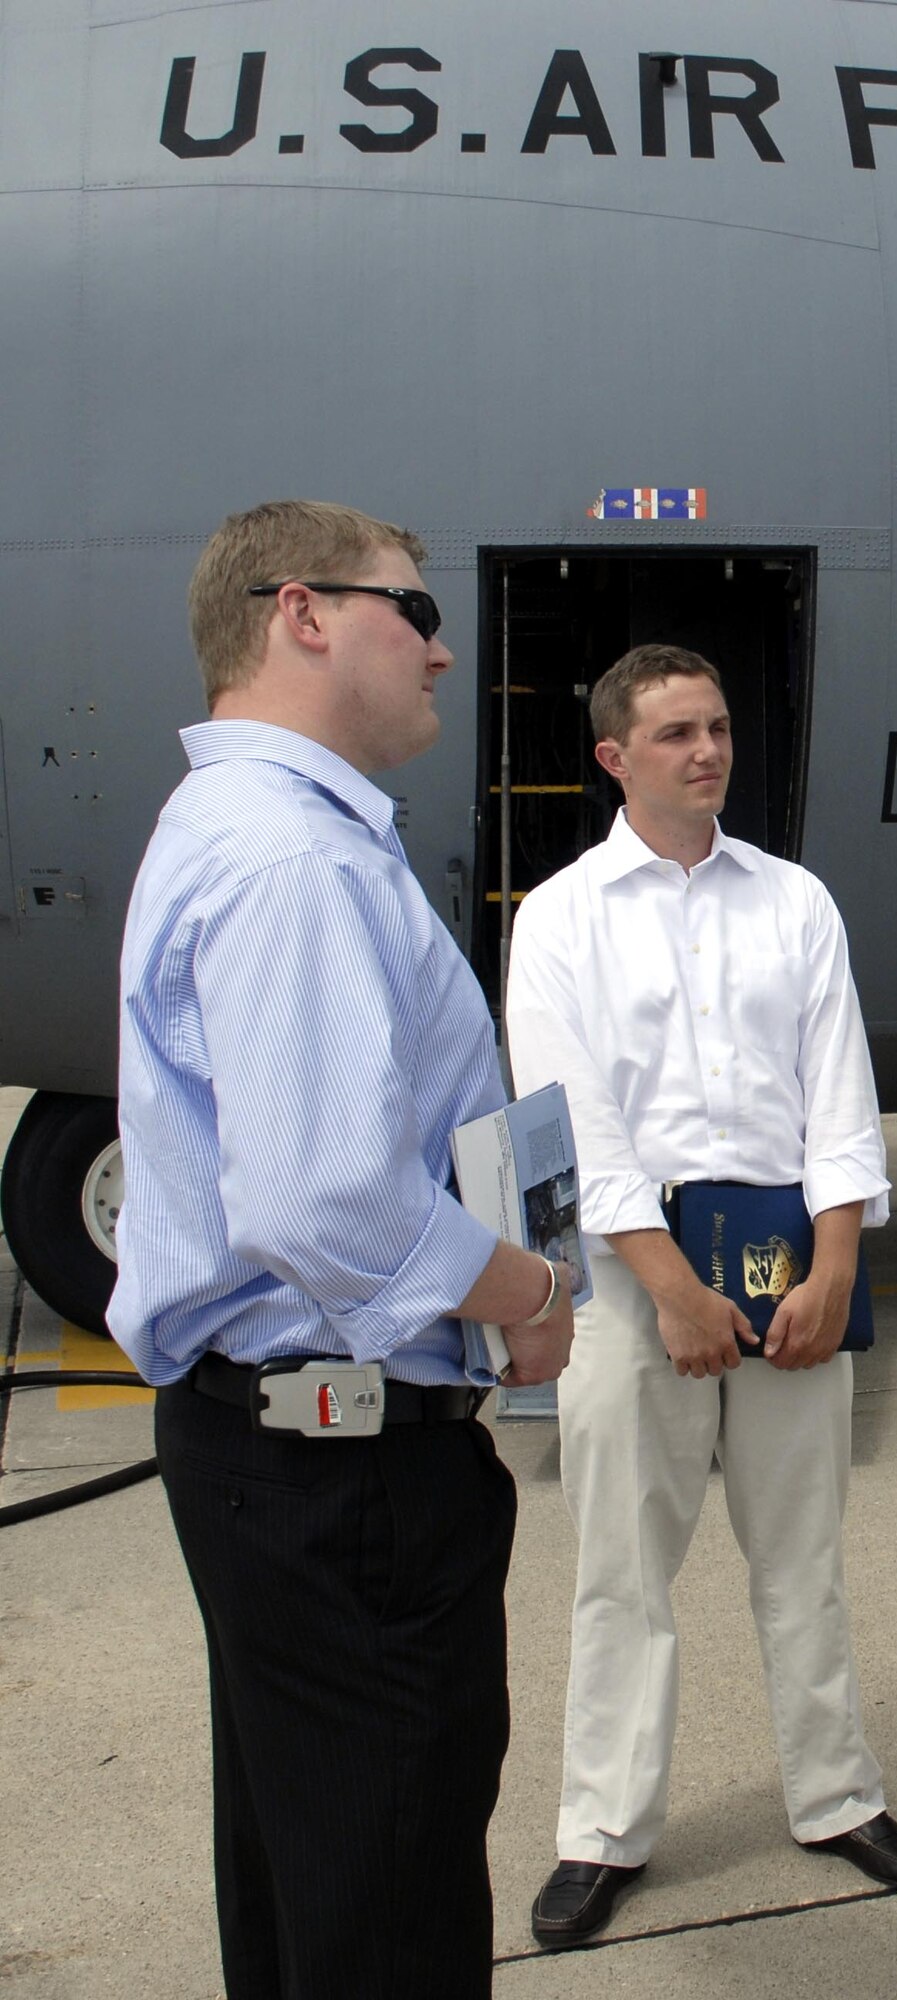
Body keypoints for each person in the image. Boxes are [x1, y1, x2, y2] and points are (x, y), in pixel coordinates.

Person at [108, 500, 575, 2000]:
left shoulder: (234, 829)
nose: (446, 650)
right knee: (387, 1920)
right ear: (300, 612)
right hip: (347, 1478)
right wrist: (529, 1291)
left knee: (313, 1895)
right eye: (414, 611)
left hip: (287, 1465)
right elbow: (322, 1201)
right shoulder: (294, 863)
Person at [506, 643, 897, 1950]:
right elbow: (575, 1121)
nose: (707, 752)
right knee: (623, 1573)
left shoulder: (793, 903)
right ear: (614, 757)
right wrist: (668, 1293)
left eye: (717, 728)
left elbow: (837, 1097)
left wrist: (835, 1269)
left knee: (801, 1560)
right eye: (676, 734)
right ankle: (602, 1831)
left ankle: (836, 1796)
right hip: (638, 1287)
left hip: (787, 1274)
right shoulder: (563, 916)